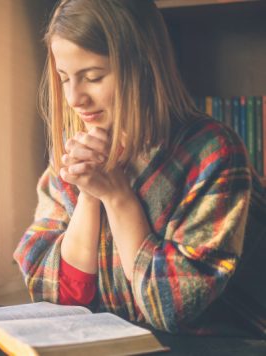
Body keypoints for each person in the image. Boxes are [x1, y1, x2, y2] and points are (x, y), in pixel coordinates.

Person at [14, 0, 266, 334]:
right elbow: (57, 297)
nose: (75, 98)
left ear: (143, 66)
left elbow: (172, 307)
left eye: (93, 77)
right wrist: (90, 195)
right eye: (64, 78)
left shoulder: (213, 153)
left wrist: (116, 195)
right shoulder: (75, 150)